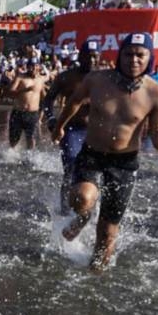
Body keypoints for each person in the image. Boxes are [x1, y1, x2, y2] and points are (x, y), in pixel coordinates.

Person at [54, 32, 158, 272]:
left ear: (149, 58)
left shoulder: (156, 93)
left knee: (107, 233)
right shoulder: (97, 80)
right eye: (128, 54)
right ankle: (84, 216)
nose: (133, 60)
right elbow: (74, 101)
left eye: (140, 55)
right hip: (92, 155)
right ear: (119, 56)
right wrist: (59, 127)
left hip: (124, 164)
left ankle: (94, 275)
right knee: (81, 198)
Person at [40, 40, 100, 213]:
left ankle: (90, 209)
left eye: (95, 56)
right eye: (88, 56)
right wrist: (51, 119)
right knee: (71, 168)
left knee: (96, 173)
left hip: (97, 132)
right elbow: (48, 100)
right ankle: (65, 210)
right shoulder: (67, 77)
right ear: (80, 56)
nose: (92, 60)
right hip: (72, 131)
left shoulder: (105, 79)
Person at [7, 59, 46, 150]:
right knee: (14, 140)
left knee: (31, 138)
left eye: (35, 66)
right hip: (18, 113)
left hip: (33, 114)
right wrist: (25, 90)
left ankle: (30, 156)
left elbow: (44, 97)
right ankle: (12, 155)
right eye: (31, 67)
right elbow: (10, 93)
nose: (33, 69)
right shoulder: (20, 77)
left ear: (39, 67)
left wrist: (43, 113)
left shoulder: (40, 80)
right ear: (27, 67)